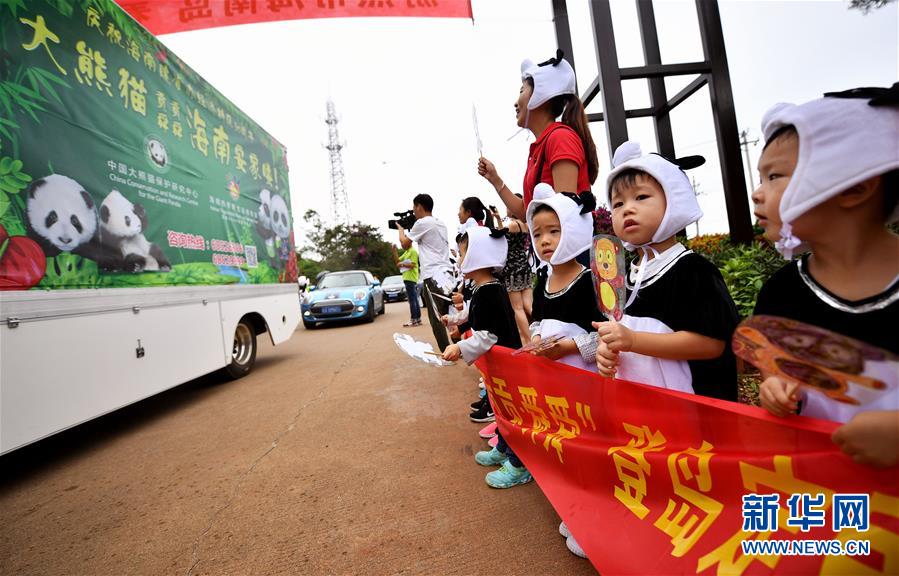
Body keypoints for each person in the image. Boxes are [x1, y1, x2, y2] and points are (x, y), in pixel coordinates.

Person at [750, 86, 899, 467]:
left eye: (774, 176)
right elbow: (776, 369)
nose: (757, 193)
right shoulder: (781, 292)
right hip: (836, 499)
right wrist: (775, 388)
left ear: (855, 187)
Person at [591, 141, 740, 403]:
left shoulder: (693, 270)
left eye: (641, 197)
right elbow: (622, 331)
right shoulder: (626, 276)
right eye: (617, 203)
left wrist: (633, 340)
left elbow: (712, 344)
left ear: (673, 199)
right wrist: (607, 348)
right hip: (648, 414)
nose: (627, 208)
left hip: (696, 416)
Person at [523, 183, 604, 559]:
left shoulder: (590, 279)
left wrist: (570, 347)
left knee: (588, 444)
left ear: (574, 229)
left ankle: (594, 520)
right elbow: (538, 319)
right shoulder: (542, 281)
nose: (545, 240)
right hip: (553, 381)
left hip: (584, 381)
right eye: (538, 233)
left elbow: (601, 333)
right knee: (563, 442)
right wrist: (539, 336)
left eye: (554, 231)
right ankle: (574, 509)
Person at [440, 221, 530, 489]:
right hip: (496, 368)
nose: (460, 258)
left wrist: (459, 347)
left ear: (480, 254)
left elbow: (488, 334)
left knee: (511, 415)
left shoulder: (491, 290)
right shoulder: (483, 287)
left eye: (464, 252)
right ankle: (503, 449)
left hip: (507, 368)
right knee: (501, 410)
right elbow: (473, 316)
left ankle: (519, 464)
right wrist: (455, 319)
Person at [477, 49, 598, 222]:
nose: (515, 102)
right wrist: (495, 179)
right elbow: (526, 212)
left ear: (541, 94)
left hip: (568, 248)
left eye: (521, 90)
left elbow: (566, 212)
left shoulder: (560, 138)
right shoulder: (541, 145)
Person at [398, 193, 455, 351]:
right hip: (447, 273)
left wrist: (400, 229)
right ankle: (459, 348)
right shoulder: (440, 223)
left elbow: (404, 244)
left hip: (433, 275)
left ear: (419, 206)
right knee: (450, 312)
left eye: (414, 207)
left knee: (436, 316)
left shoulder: (422, 223)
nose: (413, 211)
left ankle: (446, 352)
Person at [491, 195, 533, 347]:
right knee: (529, 305)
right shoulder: (525, 225)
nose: (507, 206)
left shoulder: (512, 225)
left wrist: (497, 220)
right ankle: (539, 331)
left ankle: (529, 341)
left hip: (512, 269)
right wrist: (498, 218)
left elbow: (500, 236)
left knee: (517, 308)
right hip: (524, 266)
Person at [394, 244, 421, 327]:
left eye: (403, 243)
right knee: (414, 299)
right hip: (407, 278)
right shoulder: (407, 252)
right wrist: (394, 251)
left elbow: (413, 265)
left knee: (412, 300)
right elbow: (398, 261)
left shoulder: (413, 251)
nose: (402, 244)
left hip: (411, 278)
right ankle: (417, 319)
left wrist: (402, 265)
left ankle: (414, 320)